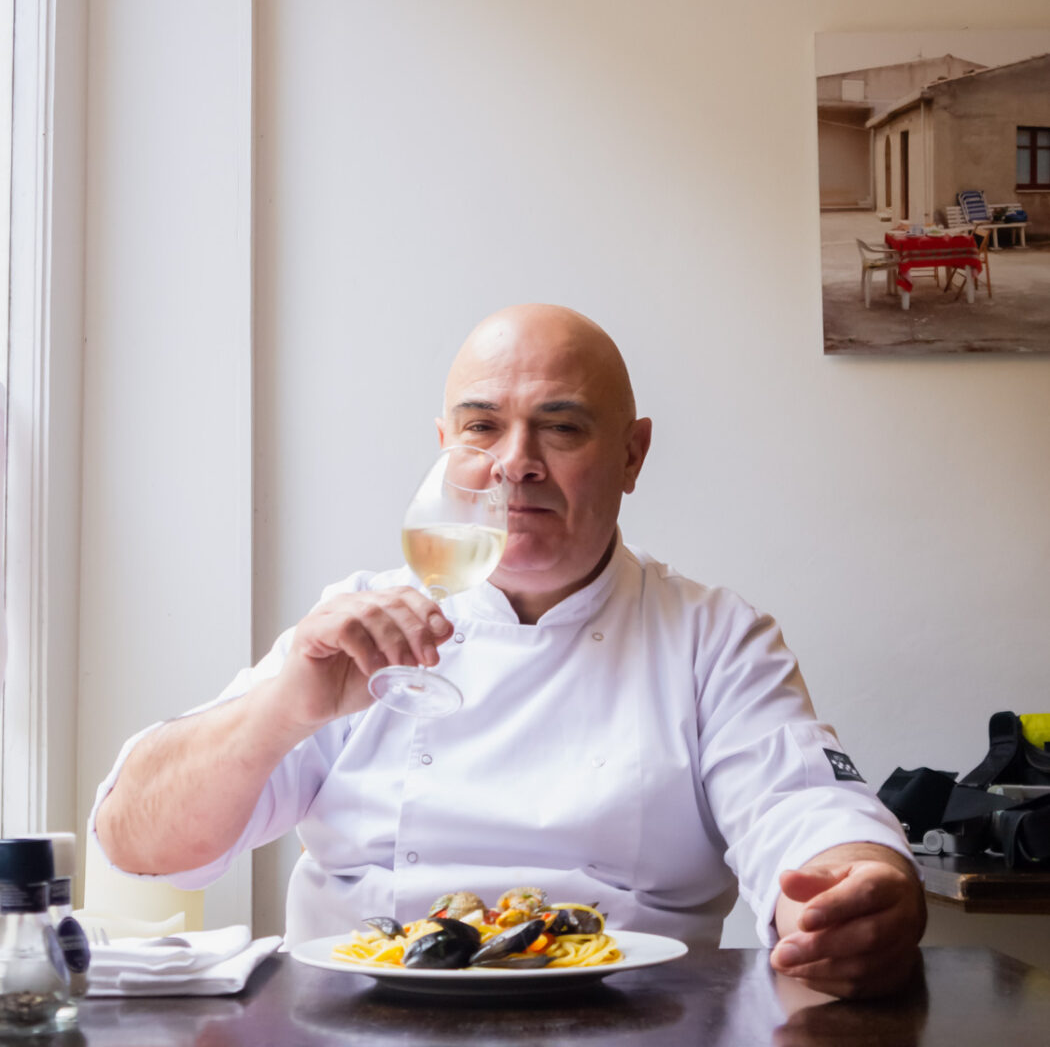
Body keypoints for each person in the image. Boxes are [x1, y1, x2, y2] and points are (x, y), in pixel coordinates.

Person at [93, 304, 925, 999]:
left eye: (560, 428)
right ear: (444, 446)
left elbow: (802, 807)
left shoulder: (712, 637)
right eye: (482, 428)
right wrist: (283, 708)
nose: (514, 465)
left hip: (626, 1027)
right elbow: (139, 843)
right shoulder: (354, 624)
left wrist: (852, 890)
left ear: (633, 454)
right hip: (356, 1025)